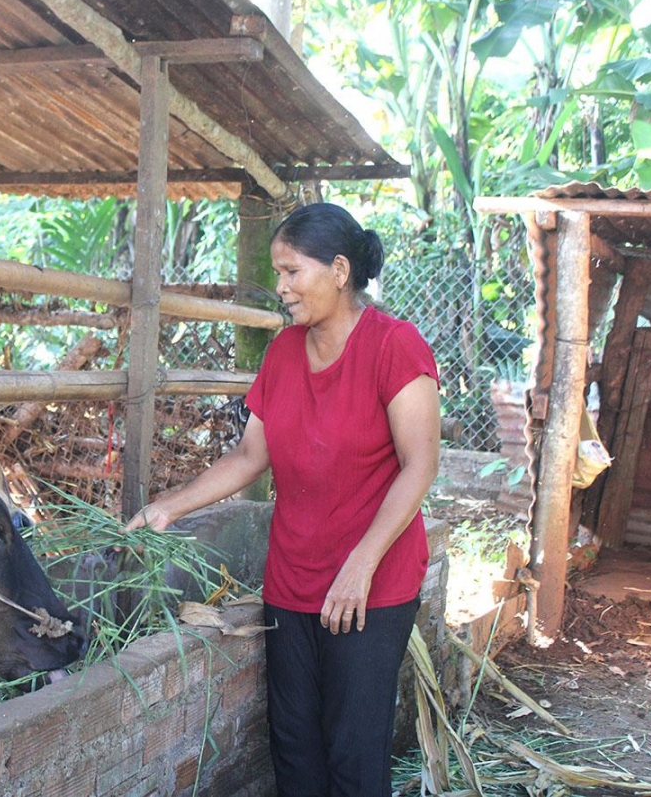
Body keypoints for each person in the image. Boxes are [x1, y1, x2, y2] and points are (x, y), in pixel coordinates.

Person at [123, 202, 440, 796]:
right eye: (278, 273)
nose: (282, 287)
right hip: (292, 582)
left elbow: (420, 465)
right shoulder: (284, 352)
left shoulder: (395, 346)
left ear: (339, 271)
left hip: (370, 584)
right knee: (294, 748)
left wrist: (362, 564)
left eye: (293, 271)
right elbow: (250, 456)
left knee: (353, 752)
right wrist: (170, 506)